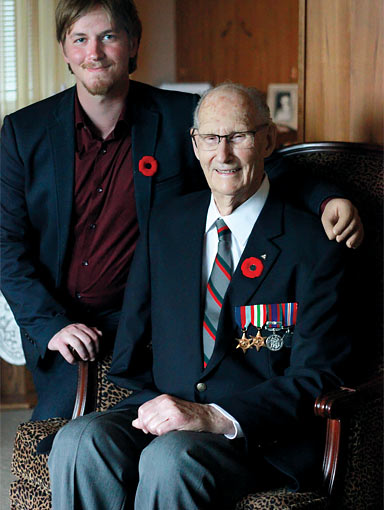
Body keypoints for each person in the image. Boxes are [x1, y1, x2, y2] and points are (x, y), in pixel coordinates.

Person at [0, 0, 362, 421]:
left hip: (159, 327)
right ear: (65, 50)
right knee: (60, 447)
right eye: (80, 39)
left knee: (144, 440)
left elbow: (259, 164)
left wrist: (327, 199)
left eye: (109, 37)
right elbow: (6, 244)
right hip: (66, 330)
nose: (94, 52)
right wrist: (51, 325)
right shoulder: (23, 133)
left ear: (133, 44)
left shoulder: (179, 118)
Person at [48, 84, 353, 510]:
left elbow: (318, 375)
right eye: (211, 138)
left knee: (170, 459)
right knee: (80, 439)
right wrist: (151, 399)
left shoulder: (314, 246)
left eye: (238, 136)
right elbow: (136, 334)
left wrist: (211, 416)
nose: (222, 154)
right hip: (167, 406)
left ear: (267, 141)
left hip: (256, 433)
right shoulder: (167, 223)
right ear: (195, 144)